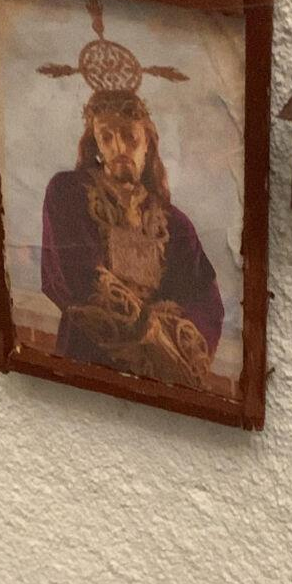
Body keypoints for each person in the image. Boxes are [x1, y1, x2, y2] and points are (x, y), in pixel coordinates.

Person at [40, 87, 223, 391]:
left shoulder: (175, 224)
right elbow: (76, 274)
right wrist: (145, 329)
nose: (119, 148)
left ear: (148, 142)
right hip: (87, 358)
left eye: (130, 136)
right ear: (96, 144)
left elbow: (204, 301)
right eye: (107, 137)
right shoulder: (68, 193)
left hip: (156, 374)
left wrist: (169, 342)